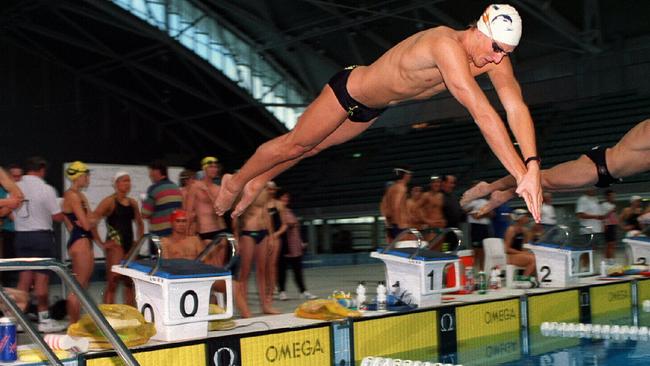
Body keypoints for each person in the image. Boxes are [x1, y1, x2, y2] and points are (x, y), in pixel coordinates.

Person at [214, 4, 542, 223]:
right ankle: (237, 180)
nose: (499, 59)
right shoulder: (446, 45)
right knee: (295, 144)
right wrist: (518, 175)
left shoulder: (494, 60)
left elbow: (516, 106)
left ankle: (259, 177)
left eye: (506, 54)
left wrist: (531, 166)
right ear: (481, 30)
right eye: (497, 49)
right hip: (348, 90)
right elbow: (482, 113)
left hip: (372, 108)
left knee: (312, 148)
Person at [461, 119, 650, 214]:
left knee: (547, 186)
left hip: (605, 176)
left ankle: (504, 194)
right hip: (597, 166)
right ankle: (488, 187)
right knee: (542, 179)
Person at [13, 157, 65, 332]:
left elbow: (11, 211)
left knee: (24, 279)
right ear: (42, 170)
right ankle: (44, 320)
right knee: (42, 279)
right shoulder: (46, 189)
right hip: (41, 237)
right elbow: (57, 216)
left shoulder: (15, 187)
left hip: (21, 236)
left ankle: (18, 320)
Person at [93, 171, 144, 305]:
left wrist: (138, 243)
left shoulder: (132, 203)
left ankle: (130, 315)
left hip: (129, 247)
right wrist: (102, 244)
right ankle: (107, 319)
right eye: (124, 181)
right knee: (112, 283)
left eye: (129, 181)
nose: (127, 184)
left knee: (129, 283)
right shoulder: (109, 202)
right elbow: (92, 222)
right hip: (115, 247)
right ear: (116, 184)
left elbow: (140, 223)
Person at [233, 184, 278, 317]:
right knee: (245, 273)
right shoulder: (245, 188)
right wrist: (236, 236)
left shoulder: (263, 189)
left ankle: (265, 305)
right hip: (248, 232)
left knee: (262, 271)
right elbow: (236, 213)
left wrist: (270, 236)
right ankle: (244, 306)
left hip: (262, 232)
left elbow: (265, 212)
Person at [61, 161, 97, 324]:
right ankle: (72, 327)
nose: (88, 178)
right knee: (78, 287)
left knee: (82, 286)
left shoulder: (79, 195)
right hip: (79, 241)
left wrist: (88, 220)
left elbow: (92, 219)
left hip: (83, 240)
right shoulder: (72, 196)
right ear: (80, 176)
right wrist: (88, 220)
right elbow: (89, 222)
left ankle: (75, 325)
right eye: (86, 175)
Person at [186, 157, 229, 266]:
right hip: (205, 232)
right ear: (204, 169)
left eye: (216, 167)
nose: (214, 169)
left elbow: (220, 209)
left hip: (220, 230)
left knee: (220, 268)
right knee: (210, 266)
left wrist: (207, 191)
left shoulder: (218, 188)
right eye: (211, 167)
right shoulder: (195, 187)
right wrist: (187, 235)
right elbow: (188, 212)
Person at [276, 190, 317, 301]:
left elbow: (296, 227)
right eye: (283, 198)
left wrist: (301, 241)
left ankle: (303, 291)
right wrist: (290, 224)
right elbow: (283, 225)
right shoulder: (277, 212)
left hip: (295, 245)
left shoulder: (289, 211)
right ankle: (282, 291)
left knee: (298, 271)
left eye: (286, 198)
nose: (285, 200)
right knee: (282, 270)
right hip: (283, 245)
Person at [142, 160, 183, 238]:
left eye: (150, 171)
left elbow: (145, 214)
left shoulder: (153, 189)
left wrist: (144, 201)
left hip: (159, 234)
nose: (149, 175)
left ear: (156, 171)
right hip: (175, 234)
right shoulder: (176, 188)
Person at [265, 181, 287, 304]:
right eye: (268, 189)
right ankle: (266, 289)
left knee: (272, 266)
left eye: (272, 190)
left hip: (275, 238)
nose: (270, 192)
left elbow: (284, 225)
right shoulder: (261, 205)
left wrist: (275, 235)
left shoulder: (279, 204)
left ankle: (271, 291)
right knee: (263, 267)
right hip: (263, 237)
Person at [380, 167, 412, 242]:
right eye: (409, 174)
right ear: (405, 175)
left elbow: (386, 212)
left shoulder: (388, 195)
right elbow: (396, 207)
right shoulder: (401, 187)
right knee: (403, 250)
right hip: (399, 226)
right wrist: (399, 224)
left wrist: (389, 225)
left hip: (392, 226)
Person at [503, 209, 536, 276]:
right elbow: (506, 249)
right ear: (520, 218)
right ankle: (524, 280)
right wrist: (522, 253)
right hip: (509, 256)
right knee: (533, 259)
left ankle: (526, 278)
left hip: (519, 255)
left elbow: (525, 248)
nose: (528, 218)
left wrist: (529, 235)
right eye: (526, 216)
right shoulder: (511, 230)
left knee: (537, 258)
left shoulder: (524, 230)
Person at [464, 197, 493, 269]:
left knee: (483, 249)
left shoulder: (487, 201)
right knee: (475, 249)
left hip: (485, 227)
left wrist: (481, 214)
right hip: (475, 227)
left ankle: (482, 269)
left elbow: (492, 214)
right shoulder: (470, 202)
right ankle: (473, 268)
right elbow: (466, 211)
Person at [418, 176, 446, 240]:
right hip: (431, 227)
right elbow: (416, 208)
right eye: (434, 182)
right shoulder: (426, 195)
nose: (437, 184)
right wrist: (425, 220)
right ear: (430, 184)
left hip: (441, 227)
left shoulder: (442, 196)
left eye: (438, 182)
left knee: (443, 248)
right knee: (431, 248)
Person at [601, 190, 619, 259]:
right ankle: (608, 260)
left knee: (613, 244)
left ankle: (611, 259)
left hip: (613, 225)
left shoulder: (613, 205)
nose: (613, 197)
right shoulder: (604, 205)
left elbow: (614, 216)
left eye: (614, 196)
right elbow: (603, 216)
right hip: (608, 226)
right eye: (612, 196)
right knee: (609, 244)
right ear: (607, 197)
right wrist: (604, 225)